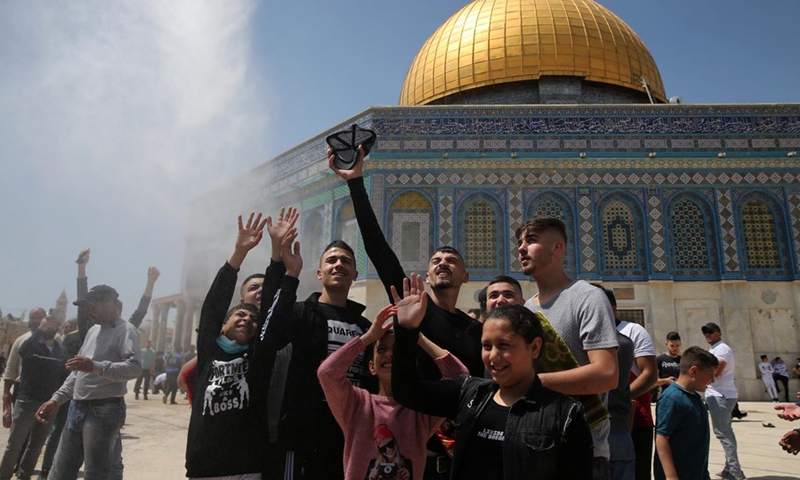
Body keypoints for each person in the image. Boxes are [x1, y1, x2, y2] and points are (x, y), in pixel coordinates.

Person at [332, 148, 483, 479]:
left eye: (451, 260)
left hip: (464, 451)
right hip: (415, 449)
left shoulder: (476, 331)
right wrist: (356, 183)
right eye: (436, 261)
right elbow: (378, 249)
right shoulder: (416, 315)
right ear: (427, 277)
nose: (443, 263)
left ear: (465, 276)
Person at [391, 277, 594, 480]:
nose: (493, 356)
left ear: (534, 347)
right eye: (487, 346)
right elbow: (407, 391)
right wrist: (407, 331)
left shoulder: (565, 415)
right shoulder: (469, 395)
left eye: (504, 345)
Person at [261, 208, 372, 480]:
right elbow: (269, 331)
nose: (339, 265)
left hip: (350, 436)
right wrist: (285, 268)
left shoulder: (366, 328)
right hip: (304, 437)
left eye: (346, 261)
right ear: (320, 273)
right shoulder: (301, 313)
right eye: (332, 260)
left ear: (355, 273)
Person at [317, 282, 468, 480]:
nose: (389, 355)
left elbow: (460, 378)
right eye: (381, 350)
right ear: (371, 366)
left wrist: (416, 335)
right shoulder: (357, 404)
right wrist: (369, 337)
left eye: (397, 350)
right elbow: (328, 373)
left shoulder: (420, 409)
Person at [517, 217, 618, 479]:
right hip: (539, 446)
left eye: (531, 240)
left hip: (584, 451)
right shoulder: (527, 310)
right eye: (519, 242)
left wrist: (531, 382)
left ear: (556, 248)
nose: (521, 248)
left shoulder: (586, 298)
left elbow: (607, 374)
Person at [184, 212, 279, 479]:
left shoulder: (259, 354)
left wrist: (277, 254)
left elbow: (272, 309)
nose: (247, 319)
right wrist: (238, 254)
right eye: (240, 314)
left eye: (253, 319)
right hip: (204, 465)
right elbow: (213, 305)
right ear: (222, 325)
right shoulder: (209, 351)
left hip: (246, 466)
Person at [35, 284, 142, 480]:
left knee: (95, 473)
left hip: (104, 410)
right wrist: (56, 400)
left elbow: (134, 368)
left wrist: (96, 367)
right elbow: (78, 372)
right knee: (60, 471)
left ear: (108, 304)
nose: (88, 311)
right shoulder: (93, 331)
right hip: (77, 407)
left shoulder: (126, 330)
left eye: (92, 306)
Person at [0, 315, 68, 480]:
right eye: (47, 325)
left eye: (53, 326)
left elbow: (64, 375)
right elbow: (21, 353)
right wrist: (39, 330)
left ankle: (24, 475)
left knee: (36, 446)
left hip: (48, 405)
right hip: (27, 402)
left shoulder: (60, 351)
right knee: (14, 445)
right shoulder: (30, 345)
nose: (49, 328)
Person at [606, 289, 657, 480]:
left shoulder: (632, 332)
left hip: (635, 421)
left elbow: (649, 375)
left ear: (613, 308)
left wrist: (620, 398)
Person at [653, 346, 719, 480]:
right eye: (710, 376)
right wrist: (671, 476)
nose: (712, 381)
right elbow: (662, 438)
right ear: (694, 371)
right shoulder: (672, 398)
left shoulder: (694, 397)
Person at [701, 322, 746, 480]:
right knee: (726, 431)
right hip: (720, 395)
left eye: (711, 332)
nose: (708, 335)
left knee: (723, 433)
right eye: (705, 333)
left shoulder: (721, 349)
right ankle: (730, 468)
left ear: (719, 332)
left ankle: (735, 470)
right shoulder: (715, 348)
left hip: (721, 396)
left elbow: (716, 372)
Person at [655, 332, 682, 399]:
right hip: (665, 396)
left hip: (681, 396)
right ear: (666, 344)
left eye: (677, 346)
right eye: (672, 346)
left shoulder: (683, 360)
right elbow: (654, 382)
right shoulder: (660, 360)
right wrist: (667, 381)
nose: (675, 348)